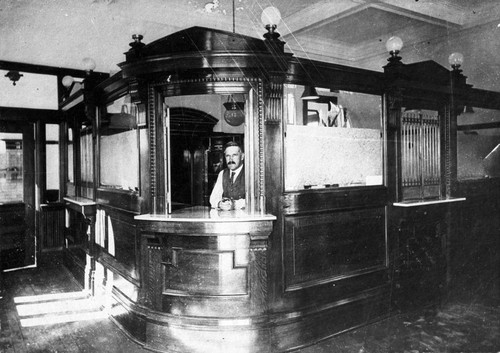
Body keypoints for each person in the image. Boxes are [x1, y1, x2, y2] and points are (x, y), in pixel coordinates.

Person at [209, 141, 245, 209]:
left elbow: (254, 200)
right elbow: (213, 198)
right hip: (226, 217)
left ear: (242, 156)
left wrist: (234, 204)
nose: (230, 159)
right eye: (228, 156)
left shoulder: (249, 173)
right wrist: (219, 204)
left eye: (234, 155)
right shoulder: (222, 173)